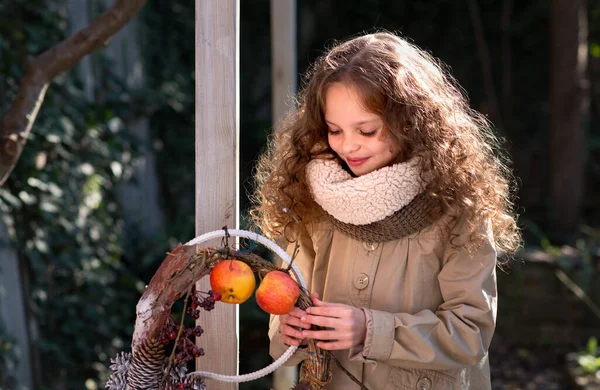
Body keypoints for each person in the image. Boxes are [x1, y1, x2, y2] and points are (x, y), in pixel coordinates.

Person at [250, 31, 521, 390]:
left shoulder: (459, 204)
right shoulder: (310, 197)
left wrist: (370, 330)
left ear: (411, 121)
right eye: (334, 130)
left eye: (367, 130)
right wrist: (289, 331)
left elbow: (470, 334)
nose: (348, 145)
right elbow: (286, 312)